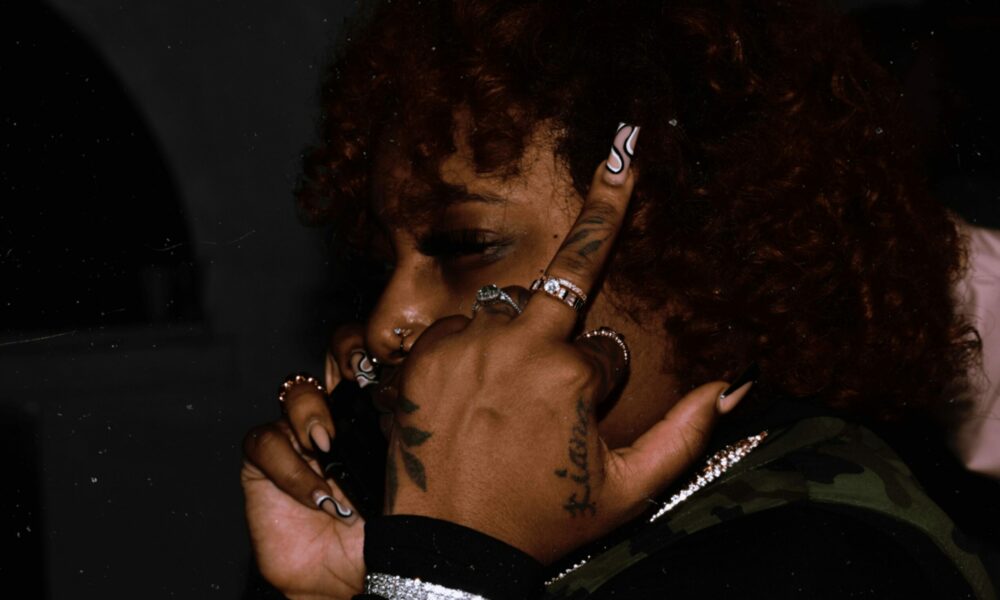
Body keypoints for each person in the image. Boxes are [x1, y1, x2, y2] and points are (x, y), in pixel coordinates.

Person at [241, 1, 998, 598]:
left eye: (466, 245)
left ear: (694, 248)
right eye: (384, 262)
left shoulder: (828, 563)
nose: (387, 321)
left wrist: (441, 571)